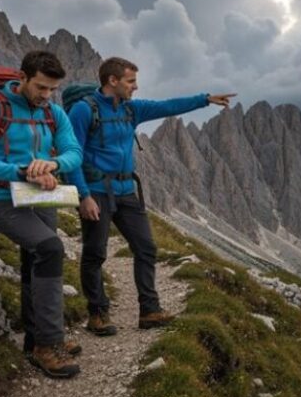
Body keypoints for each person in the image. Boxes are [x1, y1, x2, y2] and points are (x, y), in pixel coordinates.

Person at [67, 56, 234, 336]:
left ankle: (149, 310)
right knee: (95, 253)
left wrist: (205, 99)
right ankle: (97, 314)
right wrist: (83, 196)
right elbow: (71, 155)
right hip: (96, 191)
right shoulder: (84, 111)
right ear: (113, 81)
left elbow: (167, 106)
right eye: (131, 81)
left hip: (126, 191)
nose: (136, 87)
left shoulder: (132, 110)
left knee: (146, 248)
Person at [0, 50, 83, 379]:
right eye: (41, 88)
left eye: (52, 90)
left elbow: (74, 153)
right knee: (50, 249)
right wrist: (22, 171)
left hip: (39, 196)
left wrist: (54, 164)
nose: (46, 96)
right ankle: (48, 344)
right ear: (23, 77)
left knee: (35, 260)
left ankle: (35, 339)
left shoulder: (53, 113)